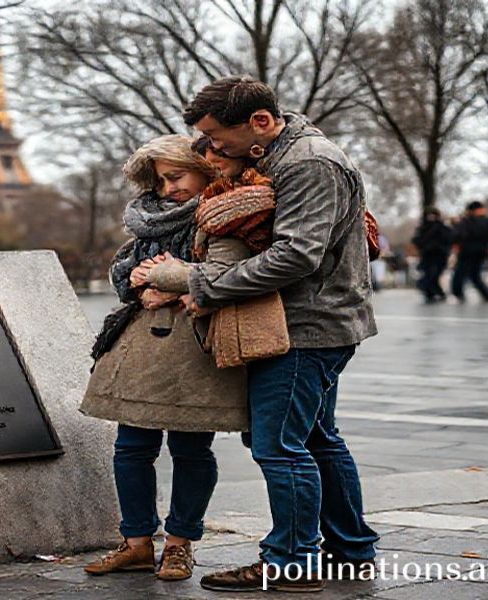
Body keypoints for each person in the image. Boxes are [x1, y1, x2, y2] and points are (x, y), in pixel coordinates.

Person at [154, 76, 380, 593]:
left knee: (278, 445)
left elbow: (296, 256)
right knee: (316, 439)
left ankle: (292, 562)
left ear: (259, 121)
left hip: (304, 326)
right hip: (317, 321)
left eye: (217, 135)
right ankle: (350, 552)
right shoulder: (287, 153)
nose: (212, 148)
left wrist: (202, 282)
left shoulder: (307, 162)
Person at [81, 135, 250, 582]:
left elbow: (228, 271)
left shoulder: (226, 211)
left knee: (192, 448)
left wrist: (167, 279)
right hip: (140, 342)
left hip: (195, 346)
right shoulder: (148, 220)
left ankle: (179, 544)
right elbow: (125, 267)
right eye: (160, 180)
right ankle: (136, 542)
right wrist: (137, 280)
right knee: (132, 448)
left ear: (201, 168)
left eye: (176, 176)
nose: (168, 187)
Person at [450, 201, 488, 303]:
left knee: (461, 273)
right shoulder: (487, 221)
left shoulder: (465, 221)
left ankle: (458, 293)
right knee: (474, 274)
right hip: (481, 251)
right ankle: (487, 294)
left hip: (467, 251)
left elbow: (457, 236)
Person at [412, 208, 454, 303]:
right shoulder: (423, 228)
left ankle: (432, 291)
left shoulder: (442, 227)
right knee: (429, 275)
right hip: (427, 255)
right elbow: (417, 240)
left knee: (434, 275)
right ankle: (433, 293)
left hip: (440, 255)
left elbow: (449, 238)